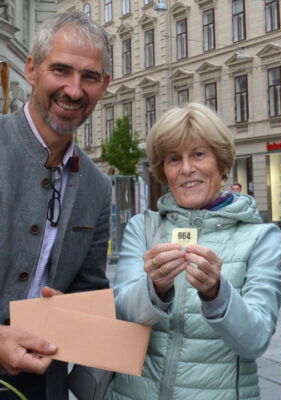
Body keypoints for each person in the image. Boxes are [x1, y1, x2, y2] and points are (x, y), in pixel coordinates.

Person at [106, 103, 281, 400]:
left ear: (222, 163)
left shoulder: (260, 237)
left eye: (199, 154)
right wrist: (156, 288)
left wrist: (217, 292)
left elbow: (255, 341)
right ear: (163, 171)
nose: (187, 168)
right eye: (174, 159)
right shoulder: (144, 227)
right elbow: (122, 314)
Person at [0, 11, 111, 400]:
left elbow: (89, 291)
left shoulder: (98, 187)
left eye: (90, 77)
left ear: (105, 85)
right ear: (31, 69)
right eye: (61, 70)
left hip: (43, 386)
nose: (74, 90)